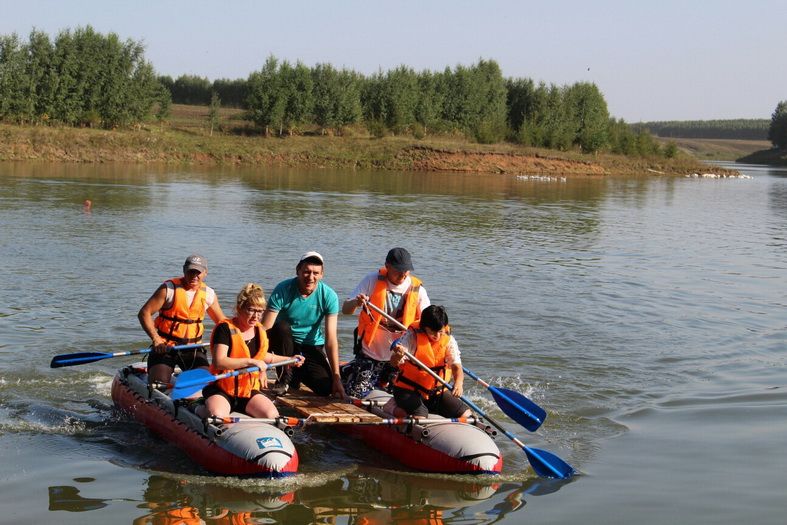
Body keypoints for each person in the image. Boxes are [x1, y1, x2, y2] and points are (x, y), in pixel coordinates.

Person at [203, 283, 304, 420]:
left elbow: (264, 357)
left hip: (248, 389)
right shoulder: (225, 329)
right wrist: (251, 362)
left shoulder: (260, 330)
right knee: (218, 416)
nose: (256, 316)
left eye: (260, 311)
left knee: (272, 415)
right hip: (222, 388)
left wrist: (289, 359)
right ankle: (199, 409)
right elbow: (220, 362)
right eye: (251, 310)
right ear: (239, 308)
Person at [341, 247, 430, 398]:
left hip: (398, 357)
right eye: (398, 270)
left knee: (397, 394)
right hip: (371, 352)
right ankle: (349, 371)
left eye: (406, 271)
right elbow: (346, 310)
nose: (402, 275)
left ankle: (362, 374)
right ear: (387, 266)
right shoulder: (371, 280)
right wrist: (357, 302)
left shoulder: (417, 289)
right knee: (356, 393)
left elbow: (427, 322)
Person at [261, 252, 345, 398]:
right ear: (298, 271)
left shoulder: (329, 296)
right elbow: (264, 330)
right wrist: (259, 366)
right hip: (284, 343)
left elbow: (331, 339)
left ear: (322, 274)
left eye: (315, 273)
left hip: (311, 345)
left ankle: (297, 375)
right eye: (306, 272)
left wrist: (336, 377)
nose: (310, 277)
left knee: (325, 389)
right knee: (281, 327)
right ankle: (285, 377)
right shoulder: (283, 289)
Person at [138, 254, 226, 386]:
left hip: (193, 349)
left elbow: (223, 323)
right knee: (158, 386)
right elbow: (144, 313)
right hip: (165, 348)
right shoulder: (168, 289)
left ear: (205, 273)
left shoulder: (209, 294)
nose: (194, 276)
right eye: (191, 271)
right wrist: (156, 339)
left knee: (205, 384)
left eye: (198, 272)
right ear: (184, 270)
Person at [389, 305, 470, 419]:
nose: (437, 336)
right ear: (424, 327)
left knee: (467, 415)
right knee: (420, 415)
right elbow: (393, 363)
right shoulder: (411, 337)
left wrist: (459, 383)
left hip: (435, 392)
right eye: (432, 332)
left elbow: (456, 366)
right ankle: (391, 407)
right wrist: (398, 355)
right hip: (407, 390)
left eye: (440, 332)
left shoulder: (448, 340)